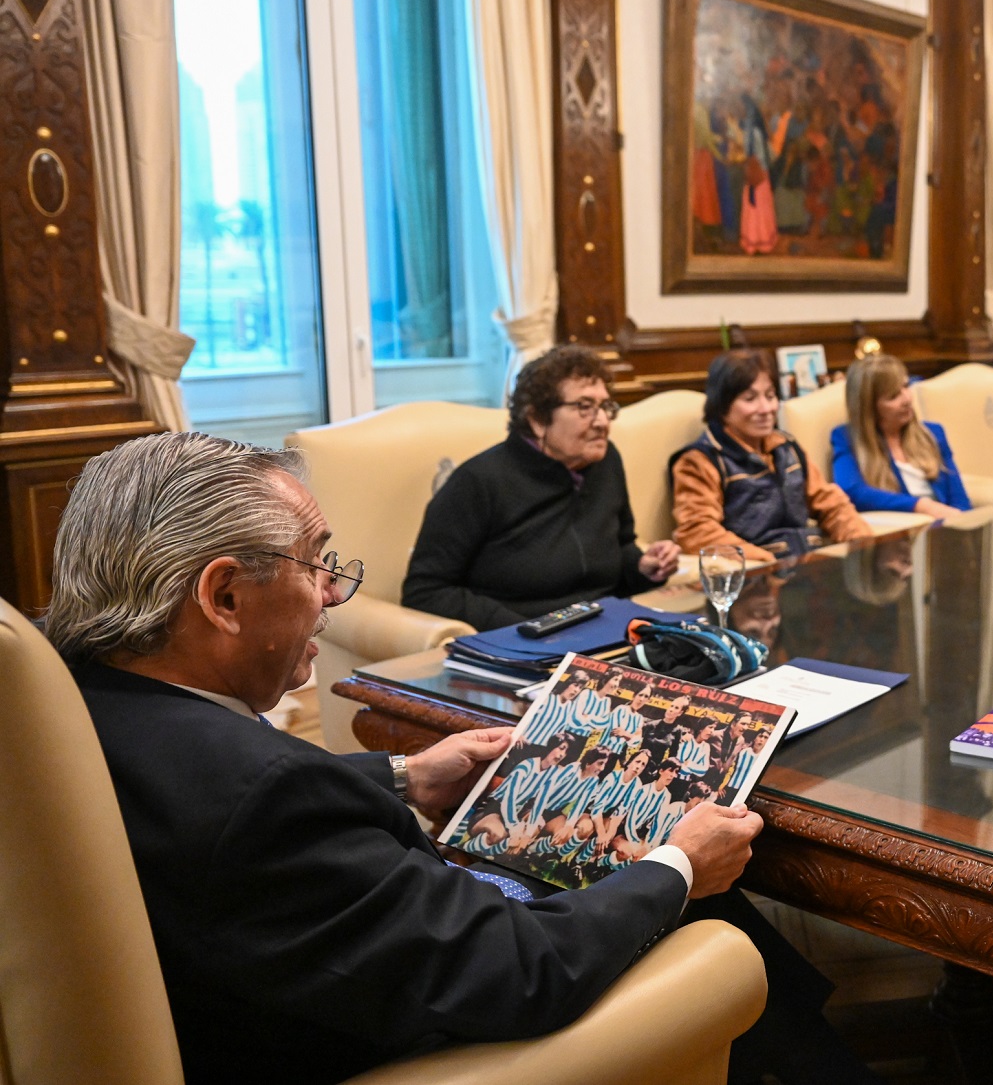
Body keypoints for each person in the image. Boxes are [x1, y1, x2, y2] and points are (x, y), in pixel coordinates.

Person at [40, 432, 786, 1084]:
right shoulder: (264, 795)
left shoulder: (66, 698)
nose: (334, 592)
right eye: (317, 562)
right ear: (225, 596)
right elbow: (527, 970)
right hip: (386, 1043)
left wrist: (402, 774)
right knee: (706, 910)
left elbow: (232, 806)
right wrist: (679, 864)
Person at [402, 346, 680, 631]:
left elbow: (621, 546)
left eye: (606, 407)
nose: (602, 422)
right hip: (520, 641)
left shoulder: (606, 461)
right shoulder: (478, 481)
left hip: (603, 628)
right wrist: (519, 629)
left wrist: (644, 567)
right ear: (536, 419)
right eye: (584, 407)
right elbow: (425, 592)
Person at [671, 349, 872, 563]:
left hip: (810, 572)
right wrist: (764, 564)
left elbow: (830, 504)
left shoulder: (787, 446)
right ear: (722, 406)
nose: (766, 408)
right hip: (755, 578)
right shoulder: (700, 460)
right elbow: (697, 532)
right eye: (750, 399)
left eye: (770, 396)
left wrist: (865, 547)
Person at [831, 352, 971, 517]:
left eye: (906, 386)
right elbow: (852, 492)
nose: (907, 399)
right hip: (895, 535)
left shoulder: (933, 433)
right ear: (869, 407)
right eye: (893, 396)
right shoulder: (846, 438)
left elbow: (961, 502)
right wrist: (921, 506)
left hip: (943, 531)